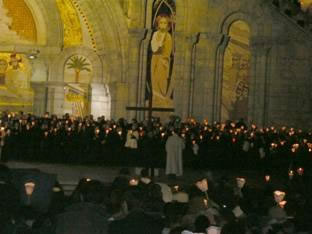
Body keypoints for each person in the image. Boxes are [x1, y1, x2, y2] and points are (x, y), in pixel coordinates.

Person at [150, 14, 173, 107]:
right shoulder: (155, 34)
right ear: (158, 24)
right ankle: (155, 96)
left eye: (165, 23)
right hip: (155, 58)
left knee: (162, 78)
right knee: (154, 77)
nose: (163, 24)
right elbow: (154, 47)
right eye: (161, 22)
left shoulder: (168, 36)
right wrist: (158, 46)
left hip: (163, 60)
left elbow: (168, 49)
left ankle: (161, 96)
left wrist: (164, 58)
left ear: (168, 25)